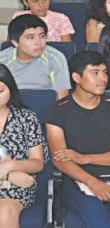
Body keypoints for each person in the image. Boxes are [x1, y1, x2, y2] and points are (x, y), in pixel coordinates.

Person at [46, 51, 110, 228]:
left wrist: (85, 158)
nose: (103, 78)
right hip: (77, 179)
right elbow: (60, 159)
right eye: (95, 73)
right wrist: (91, 181)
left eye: (105, 72)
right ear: (76, 77)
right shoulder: (57, 111)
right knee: (99, 221)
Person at [0, 63, 47, 225]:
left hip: (17, 187)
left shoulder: (26, 118)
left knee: (4, 211)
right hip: (14, 178)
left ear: (10, 89)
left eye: (0, 91)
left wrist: (9, 166)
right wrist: (8, 176)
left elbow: (37, 163)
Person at [0, 15, 70, 93]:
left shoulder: (55, 58)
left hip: (45, 100)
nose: (38, 42)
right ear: (15, 42)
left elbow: (61, 95)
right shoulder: (2, 59)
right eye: (31, 38)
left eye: (42, 36)